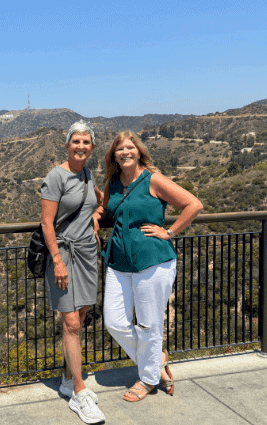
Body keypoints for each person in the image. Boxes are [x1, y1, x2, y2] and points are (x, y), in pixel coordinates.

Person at [92, 131, 202, 402]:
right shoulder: (113, 183)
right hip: (119, 262)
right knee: (115, 322)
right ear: (113, 156)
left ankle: (149, 379)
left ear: (139, 152)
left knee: (149, 325)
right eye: (120, 149)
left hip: (153, 262)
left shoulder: (153, 180)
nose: (125, 152)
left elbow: (193, 204)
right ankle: (157, 358)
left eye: (130, 148)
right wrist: (95, 218)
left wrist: (171, 231)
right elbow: (105, 209)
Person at [41, 120, 105, 423]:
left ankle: (68, 379)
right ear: (67, 145)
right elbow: (46, 223)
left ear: (92, 147)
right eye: (75, 141)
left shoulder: (88, 174)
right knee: (70, 322)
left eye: (86, 142)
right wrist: (57, 260)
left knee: (81, 317)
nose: (81, 146)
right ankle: (79, 392)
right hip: (64, 255)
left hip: (88, 254)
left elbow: (97, 199)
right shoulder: (56, 177)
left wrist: (96, 215)